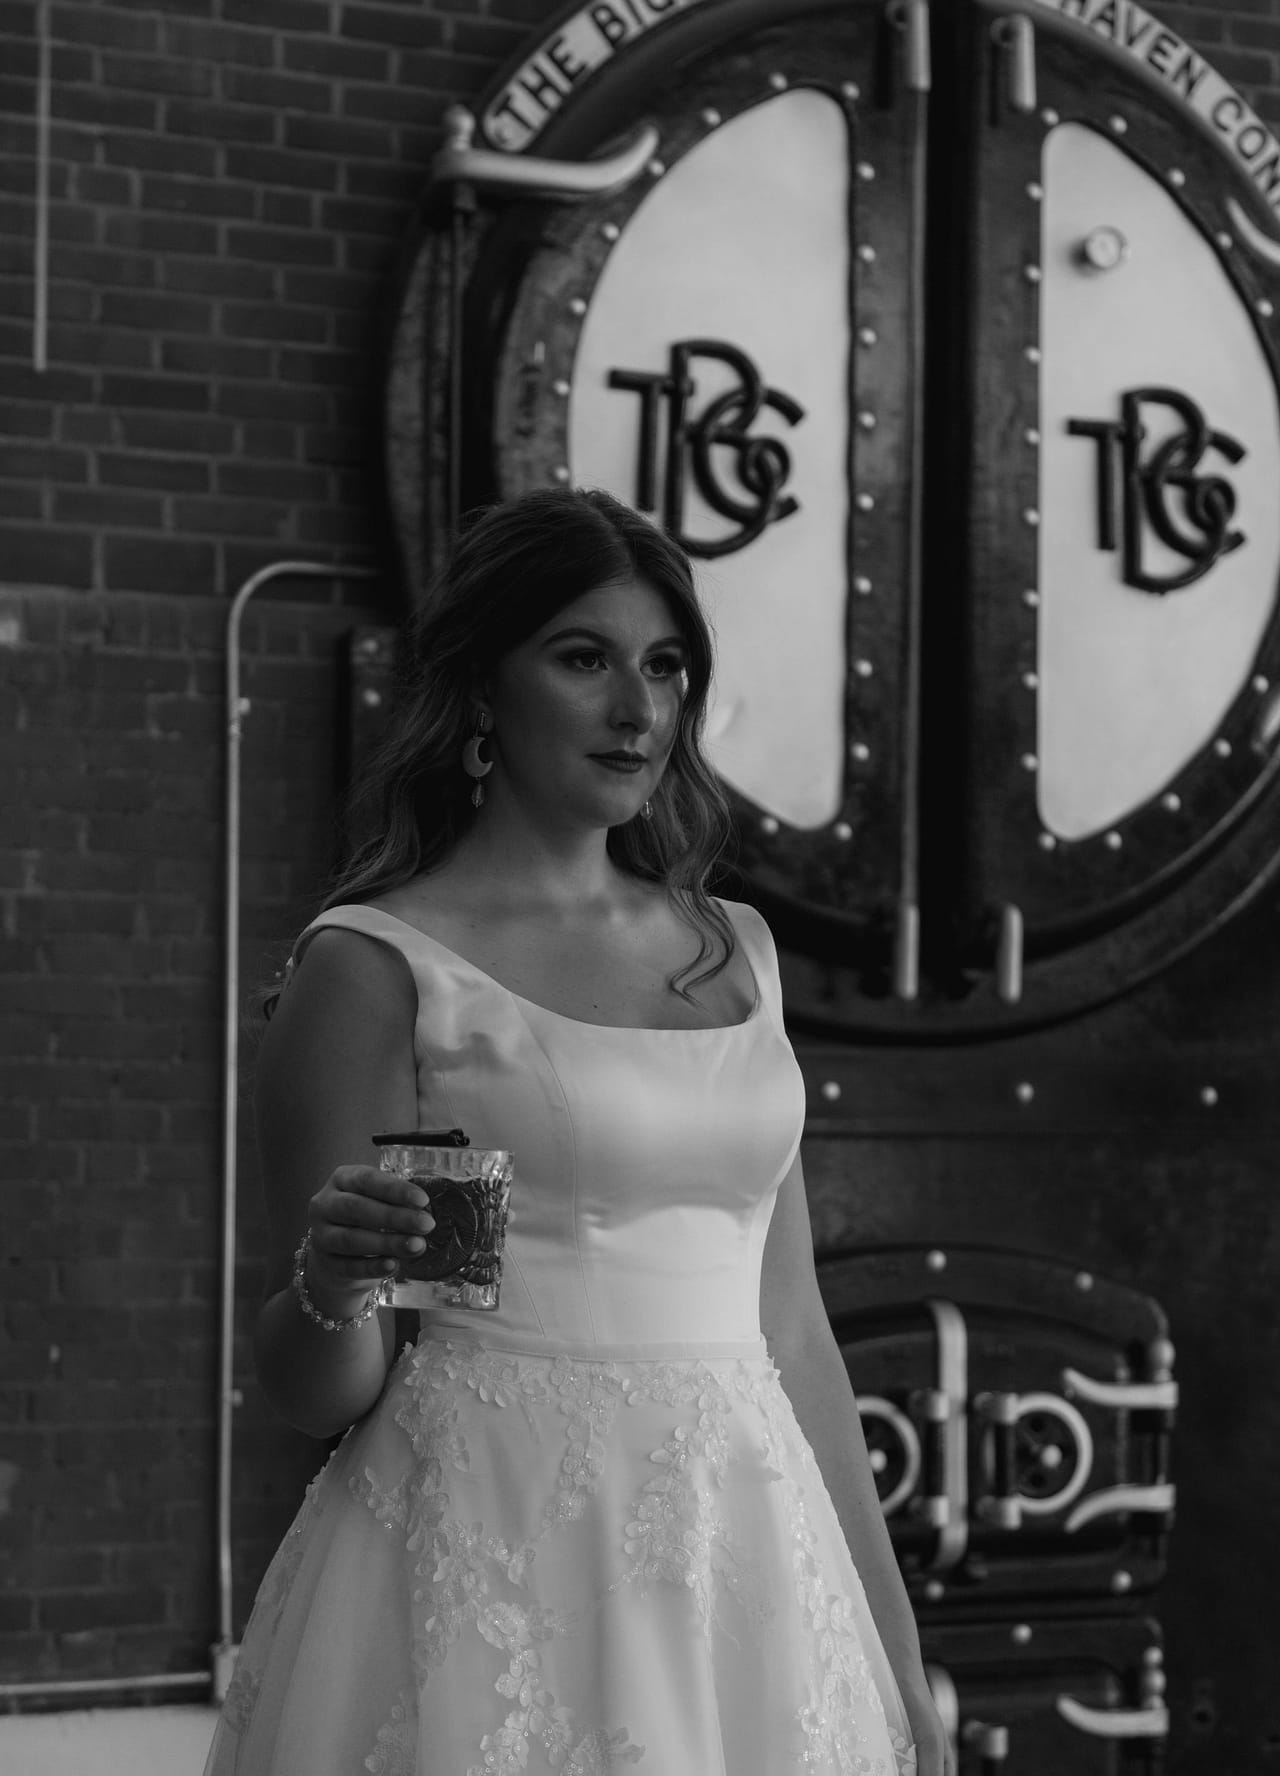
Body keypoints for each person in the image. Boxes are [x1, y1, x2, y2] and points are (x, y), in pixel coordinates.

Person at [205, 488, 951, 1776]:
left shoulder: (739, 954)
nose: (638, 708)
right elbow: (329, 1387)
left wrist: (896, 1663)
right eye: (584, 657)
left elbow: (793, 1333)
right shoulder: (385, 967)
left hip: (747, 1560)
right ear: (483, 691)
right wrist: (333, 1287)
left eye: (664, 666)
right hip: (490, 1555)